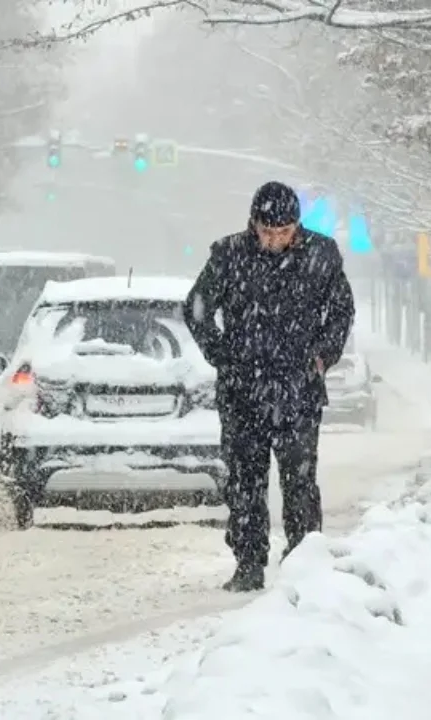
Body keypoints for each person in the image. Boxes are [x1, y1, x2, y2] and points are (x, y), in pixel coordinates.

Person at [182, 181, 355, 593]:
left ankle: (302, 560)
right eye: (268, 232)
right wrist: (222, 354)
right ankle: (248, 562)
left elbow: (341, 309)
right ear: (253, 225)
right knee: (244, 481)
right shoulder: (228, 255)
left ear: (297, 225)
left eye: (285, 232)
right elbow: (197, 307)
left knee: (299, 481)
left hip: (298, 388)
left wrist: (323, 354)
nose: (276, 240)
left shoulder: (321, 253)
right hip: (244, 390)